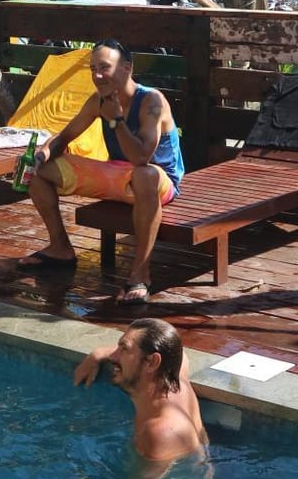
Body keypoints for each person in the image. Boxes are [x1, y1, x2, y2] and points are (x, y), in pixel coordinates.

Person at [18, 38, 184, 303]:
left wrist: (116, 120)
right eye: (92, 68)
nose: (96, 75)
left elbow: (141, 158)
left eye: (104, 67)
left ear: (127, 68)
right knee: (38, 171)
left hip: (156, 183)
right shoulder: (99, 100)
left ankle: (140, 273)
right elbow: (64, 137)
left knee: (144, 175)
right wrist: (42, 154)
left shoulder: (152, 101)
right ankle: (60, 247)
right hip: (116, 175)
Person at [73, 318, 208, 479]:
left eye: (124, 349)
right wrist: (98, 353)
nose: (113, 356)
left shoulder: (161, 431)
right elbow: (180, 355)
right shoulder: (176, 378)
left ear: (151, 362)